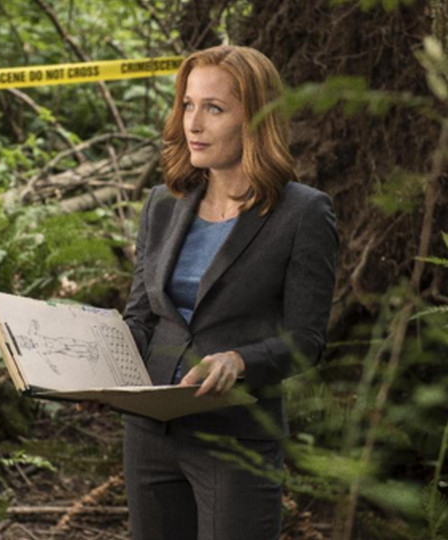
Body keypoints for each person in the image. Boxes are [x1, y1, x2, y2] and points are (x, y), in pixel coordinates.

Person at [122, 45, 338, 540]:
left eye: (214, 108)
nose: (193, 124)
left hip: (235, 433)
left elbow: (306, 341)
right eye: (187, 105)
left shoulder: (304, 214)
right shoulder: (162, 204)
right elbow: (140, 318)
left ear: (256, 119)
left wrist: (239, 360)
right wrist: (91, 365)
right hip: (149, 431)